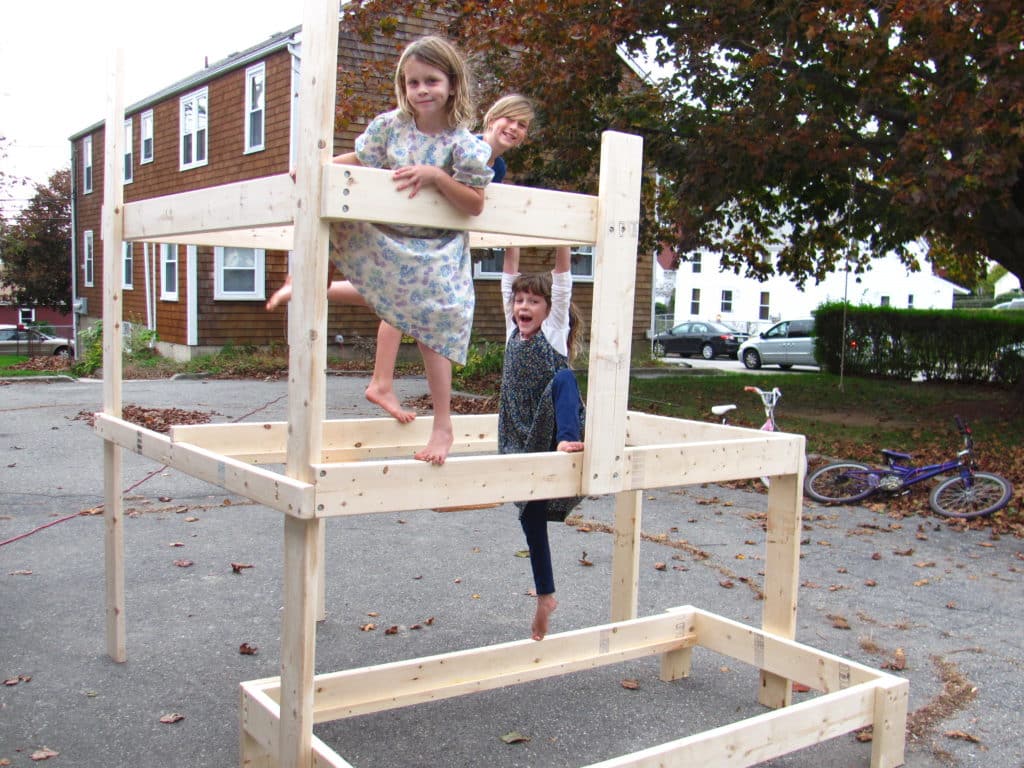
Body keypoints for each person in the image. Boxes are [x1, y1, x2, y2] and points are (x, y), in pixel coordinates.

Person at [267, 36, 493, 464]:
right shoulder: (390, 127)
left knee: (435, 322)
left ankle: (443, 425)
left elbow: (475, 203)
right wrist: (320, 168)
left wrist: (436, 177)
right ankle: (308, 282)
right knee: (337, 212)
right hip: (388, 235)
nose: (421, 90)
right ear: (402, 87)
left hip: (436, 246)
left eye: (431, 80)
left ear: (451, 84)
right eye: (412, 83)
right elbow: (359, 155)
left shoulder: (463, 144)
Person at [266, 93, 536, 434]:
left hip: (433, 239)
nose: (512, 128)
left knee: (403, 298)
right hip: (410, 229)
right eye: (507, 119)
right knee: (409, 301)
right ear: (490, 120)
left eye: (521, 125)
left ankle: (318, 296)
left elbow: (472, 203)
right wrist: (321, 168)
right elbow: (373, 160)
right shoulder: (468, 146)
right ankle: (379, 378)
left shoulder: (497, 167)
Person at [498, 244, 585, 641]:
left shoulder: (552, 331)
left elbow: (563, 281)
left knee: (565, 377)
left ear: (550, 310)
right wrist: (509, 240)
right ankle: (545, 597)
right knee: (530, 517)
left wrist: (562, 239)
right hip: (520, 437)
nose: (523, 306)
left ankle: (571, 440)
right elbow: (506, 275)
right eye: (519, 300)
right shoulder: (510, 332)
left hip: (554, 429)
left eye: (533, 300)